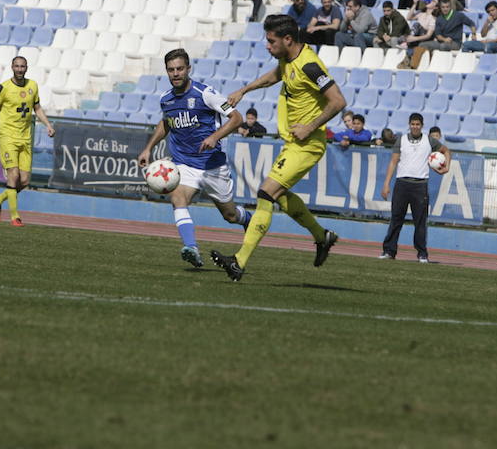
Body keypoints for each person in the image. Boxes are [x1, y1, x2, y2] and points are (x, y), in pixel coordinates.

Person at [210, 15, 347, 281]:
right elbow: (275, 75)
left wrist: (310, 126)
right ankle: (322, 236)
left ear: (287, 39)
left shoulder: (309, 65)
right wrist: (245, 90)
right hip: (294, 143)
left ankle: (238, 262)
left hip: (307, 144)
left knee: (266, 193)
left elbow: (338, 101)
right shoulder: (288, 60)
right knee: (280, 196)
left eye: (271, 41)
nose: (267, 45)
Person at [137, 50, 253, 268]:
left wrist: (214, 136)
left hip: (212, 165)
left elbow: (236, 118)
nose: (176, 73)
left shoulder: (205, 93)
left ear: (188, 69)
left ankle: (248, 220)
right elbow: (166, 123)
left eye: (180, 69)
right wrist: (148, 148)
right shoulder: (166, 99)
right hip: (184, 164)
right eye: (171, 70)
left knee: (229, 215)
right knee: (177, 198)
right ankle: (191, 248)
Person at [0, 56, 55, 228]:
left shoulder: (33, 85)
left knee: (24, 181)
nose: (20, 69)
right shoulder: (4, 87)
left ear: (27, 68)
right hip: (7, 137)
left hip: (25, 138)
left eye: (23, 66)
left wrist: (47, 124)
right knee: (13, 174)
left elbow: (37, 108)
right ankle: (15, 217)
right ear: (12, 67)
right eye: (17, 66)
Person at [379, 113, 450, 263]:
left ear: (422, 126)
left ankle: (422, 254)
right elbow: (393, 162)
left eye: (418, 124)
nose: (415, 127)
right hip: (402, 183)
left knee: (420, 221)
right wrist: (386, 183)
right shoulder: (402, 140)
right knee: (396, 219)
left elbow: (446, 151)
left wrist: (446, 167)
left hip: (420, 185)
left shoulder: (429, 140)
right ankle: (389, 251)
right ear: (409, 125)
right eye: (413, 124)